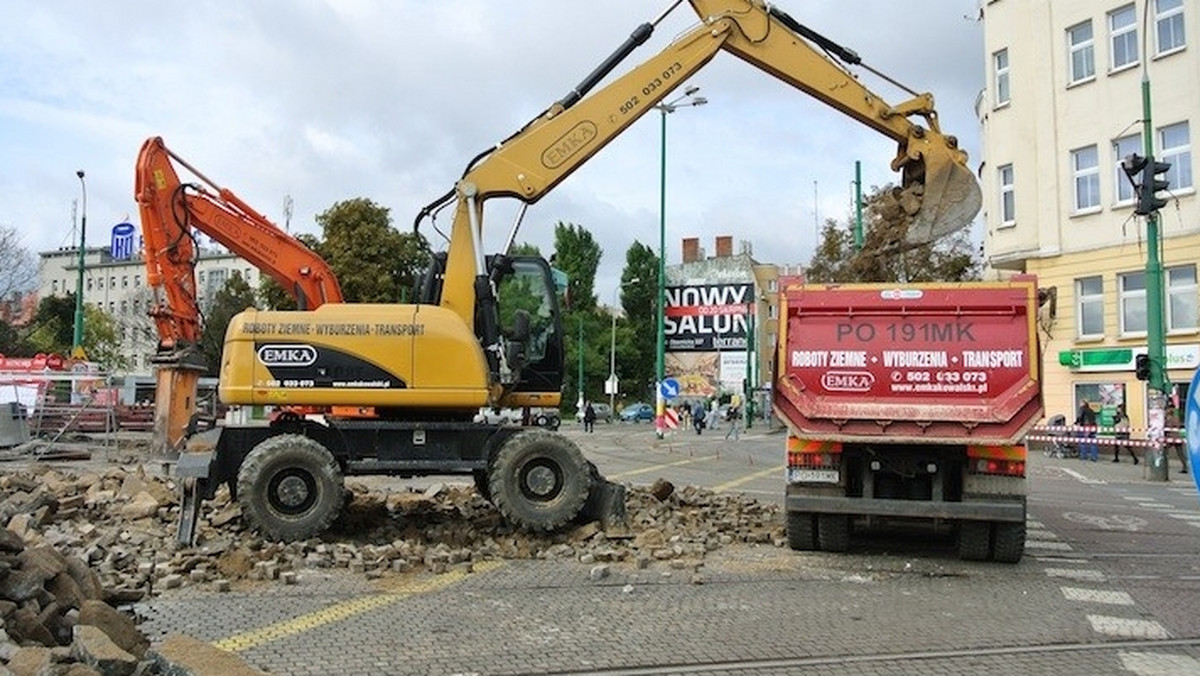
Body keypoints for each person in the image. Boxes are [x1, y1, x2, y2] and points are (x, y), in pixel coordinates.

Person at [1165, 404, 1187, 473]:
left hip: (1171, 437)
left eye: (1168, 409)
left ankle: (1162, 463)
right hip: (1176, 437)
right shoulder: (1175, 417)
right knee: (1180, 453)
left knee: (1163, 450)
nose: (1167, 410)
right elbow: (1179, 425)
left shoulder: (1169, 418)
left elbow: (1168, 427)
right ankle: (1185, 466)